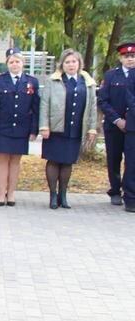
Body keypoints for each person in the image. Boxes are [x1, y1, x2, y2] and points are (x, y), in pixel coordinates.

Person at [39, 49, 98, 209]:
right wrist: (44, 126)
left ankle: (63, 195)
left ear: (79, 64)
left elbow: (92, 107)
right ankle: (52, 195)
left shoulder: (87, 82)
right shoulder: (54, 81)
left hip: (75, 128)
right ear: (62, 65)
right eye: (67, 62)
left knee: (67, 162)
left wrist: (92, 128)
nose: (71, 65)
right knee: (53, 160)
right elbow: (44, 104)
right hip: (56, 128)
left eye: (74, 62)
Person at [0, 47, 39, 206]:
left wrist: (34, 130)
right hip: (2, 128)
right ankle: (1, 193)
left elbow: (36, 108)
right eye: (11, 62)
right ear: (7, 64)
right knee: (2, 161)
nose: (14, 64)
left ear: (23, 63)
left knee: (15, 161)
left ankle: (12, 193)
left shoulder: (31, 82)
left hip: (22, 128)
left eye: (17, 61)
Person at [97, 40, 135, 210]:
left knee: (132, 161)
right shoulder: (111, 75)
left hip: (133, 126)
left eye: (133, 56)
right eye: (126, 56)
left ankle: (130, 194)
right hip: (114, 125)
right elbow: (103, 101)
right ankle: (115, 191)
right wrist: (117, 120)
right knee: (114, 159)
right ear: (120, 58)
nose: (130, 59)